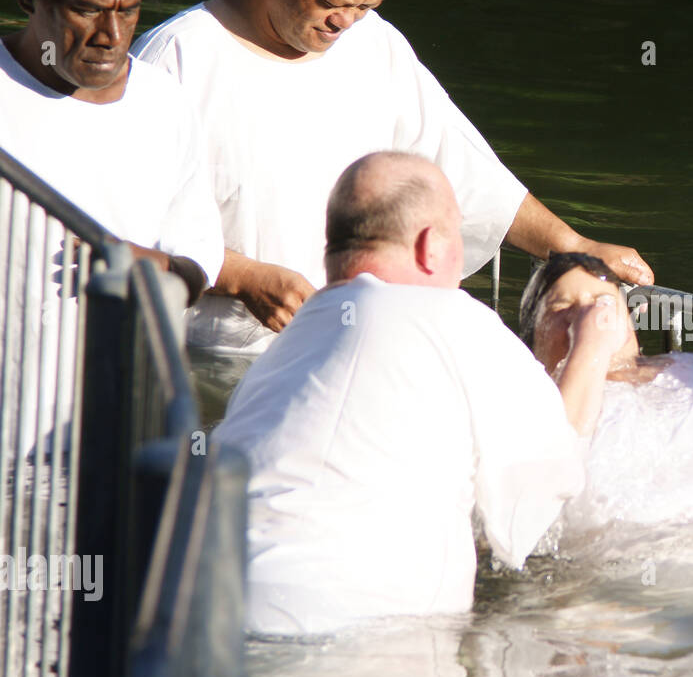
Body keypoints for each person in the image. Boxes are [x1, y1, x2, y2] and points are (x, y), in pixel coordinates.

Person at [133, 0, 652, 354]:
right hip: (206, 359)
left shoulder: (372, 44)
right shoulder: (177, 60)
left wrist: (574, 246)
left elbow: (465, 169)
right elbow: (124, 224)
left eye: (364, 4)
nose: (345, 22)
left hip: (348, 348)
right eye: (331, 1)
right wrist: (245, 277)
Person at [213, 152, 623, 635]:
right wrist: (590, 350)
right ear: (431, 246)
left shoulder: (284, 352)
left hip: (203, 611)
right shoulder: (454, 317)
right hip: (358, 632)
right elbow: (546, 487)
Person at [0, 0, 224, 300]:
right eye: (87, 10)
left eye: (129, 10)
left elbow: (198, 258)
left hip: (114, 364)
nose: (112, 36)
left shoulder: (164, 105)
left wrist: (156, 266)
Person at [519, 252, 693, 537]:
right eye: (563, 308)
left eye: (603, 303)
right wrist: (589, 348)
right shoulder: (533, 404)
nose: (592, 317)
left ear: (630, 323)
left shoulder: (689, 370)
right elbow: (545, 491)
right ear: (531, 343)